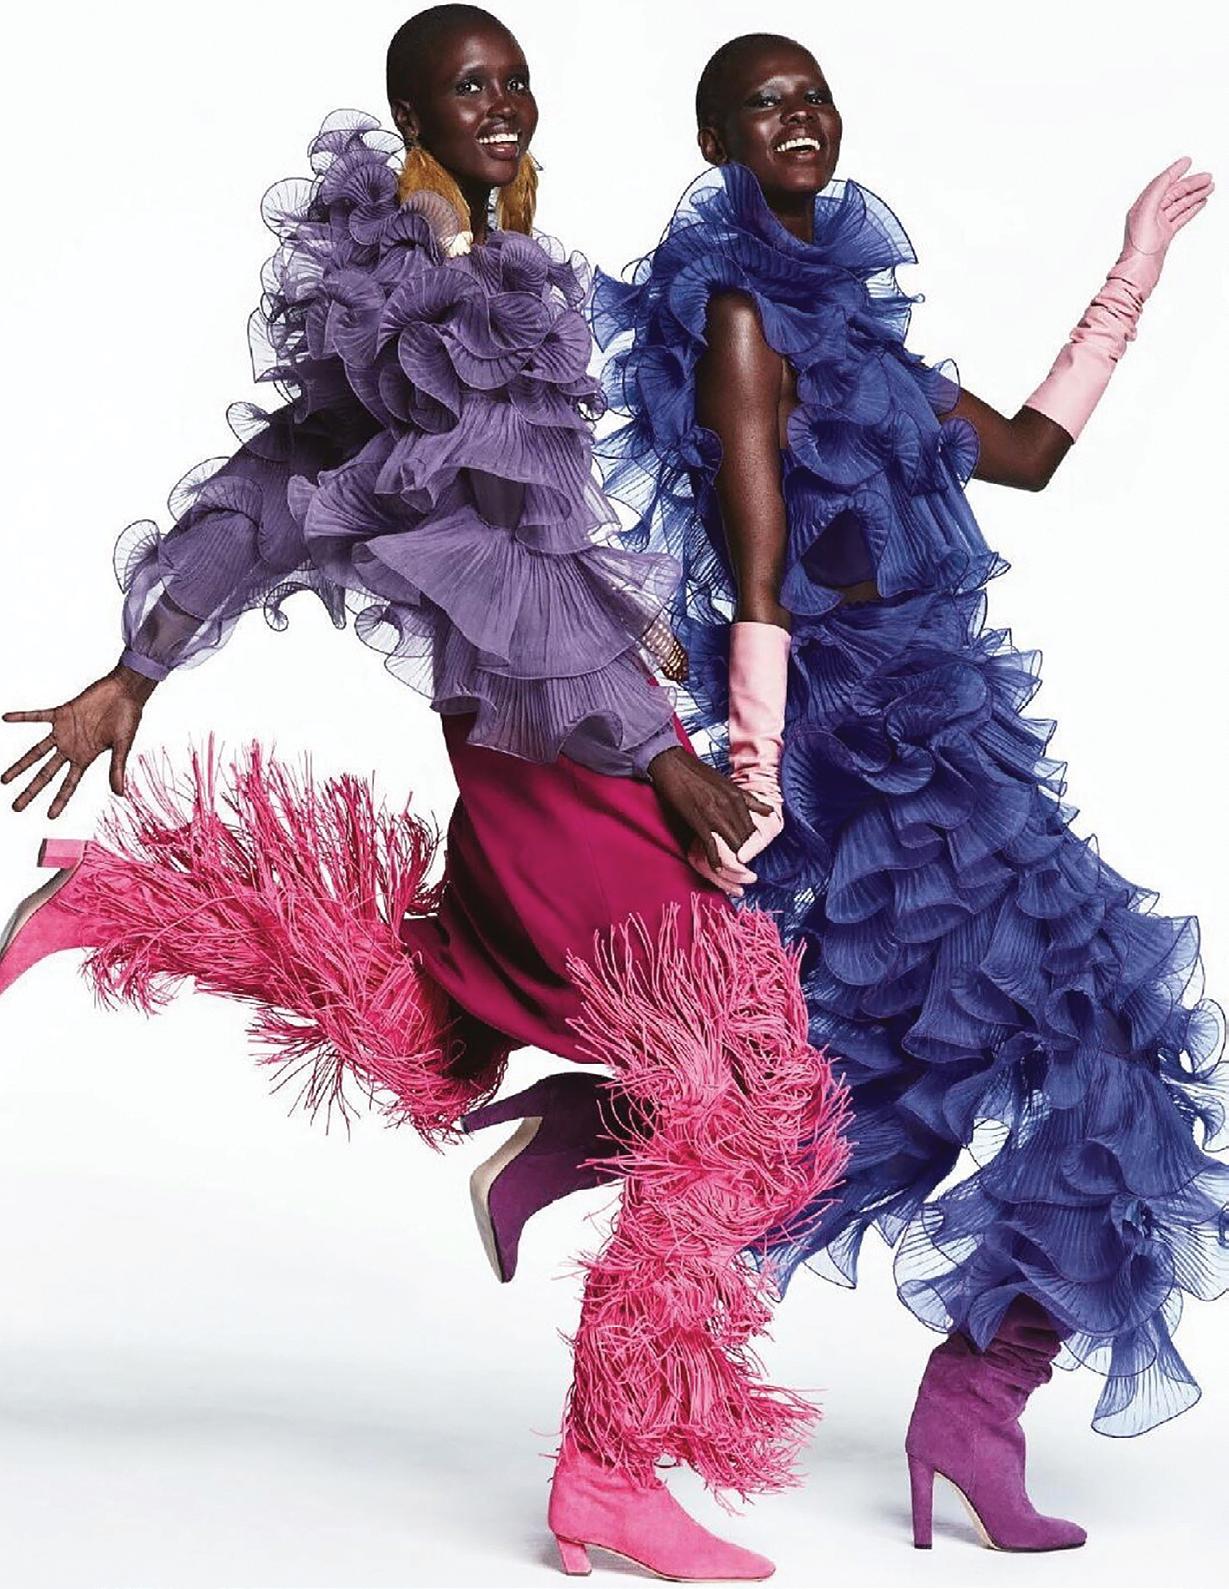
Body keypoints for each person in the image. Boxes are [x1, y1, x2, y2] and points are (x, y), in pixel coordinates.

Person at [0, 11, 850, 1579]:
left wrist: (145, 657)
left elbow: (287, 483)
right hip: (572, 744)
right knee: (745, 1097)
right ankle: (607, 1468)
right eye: (471, 85)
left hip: (546, 730)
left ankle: (125, 899)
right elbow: (501, 565)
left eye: (515, 78)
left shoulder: (418, 273)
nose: (505, 102)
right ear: (409, 111)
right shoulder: (440, 287)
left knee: (446, 1031)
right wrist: (658, 751)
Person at [462, 29, 1227, 1556]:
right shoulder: (742, 318)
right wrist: (749, 779)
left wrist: (1131, 268)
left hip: (950, 723)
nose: (796, 118)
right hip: (865, 755)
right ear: (716, 143)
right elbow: (752, 574)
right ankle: (912, 1382)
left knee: (890, 1080)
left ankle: (617, 1141)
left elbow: (1025, 454)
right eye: (763, 104)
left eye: (810, 95)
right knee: (1094, 1040)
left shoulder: (851, 329)